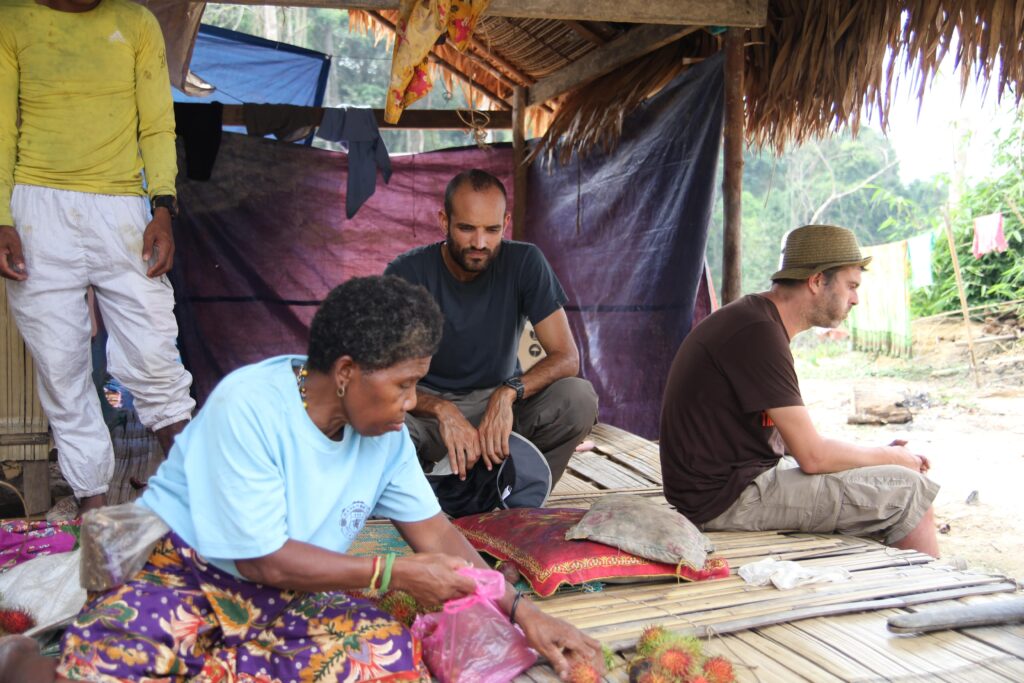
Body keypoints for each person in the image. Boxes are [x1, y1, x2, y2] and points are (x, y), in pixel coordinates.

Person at [0, 276, 603, 682]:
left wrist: (522, 611)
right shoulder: (249, 406)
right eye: (403, 385)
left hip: (286, 595)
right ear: (346, 372)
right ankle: (21, 660)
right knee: (114, 666)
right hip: (181, 574)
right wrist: (391, 573)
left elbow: (438, 535)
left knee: (383, 655)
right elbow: (260, 558)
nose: (411, 403)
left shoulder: (386, 439)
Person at [0, 0, 194, 514]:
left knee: (155, 354)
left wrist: (163, 208)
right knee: (61, 368)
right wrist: (1, 217)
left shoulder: (136, 23)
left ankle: (199, 502)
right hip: (36, 208)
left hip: (123, 207)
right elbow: (0, 130)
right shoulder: (10, 20)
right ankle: (95, 518)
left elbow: (157, 125)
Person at [660, 224, 940, 557]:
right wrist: (890, 457)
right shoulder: (758, 333)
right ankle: (935, 589)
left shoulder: (755, 321)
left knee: (885, 475)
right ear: (817, 280)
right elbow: (813, 456)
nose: (855, 299)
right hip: (725, 499)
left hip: (726, 486)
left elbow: (802, 446)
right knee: (909, 491)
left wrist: (878, 457)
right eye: (851, 286)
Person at [384, 169, 598, 495]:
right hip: (425, 413)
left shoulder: (525, 262)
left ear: (506, 222)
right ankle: (425, 494)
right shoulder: (406, 273)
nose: (480, 243)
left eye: (492, 230)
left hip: (499, 414)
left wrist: (507, 393)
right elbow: (383, 377)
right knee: (376, 425)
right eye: (466, 228)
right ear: (444, 221)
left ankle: (515, 495)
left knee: (578, 399)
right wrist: (442, 410)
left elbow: (567, 357)